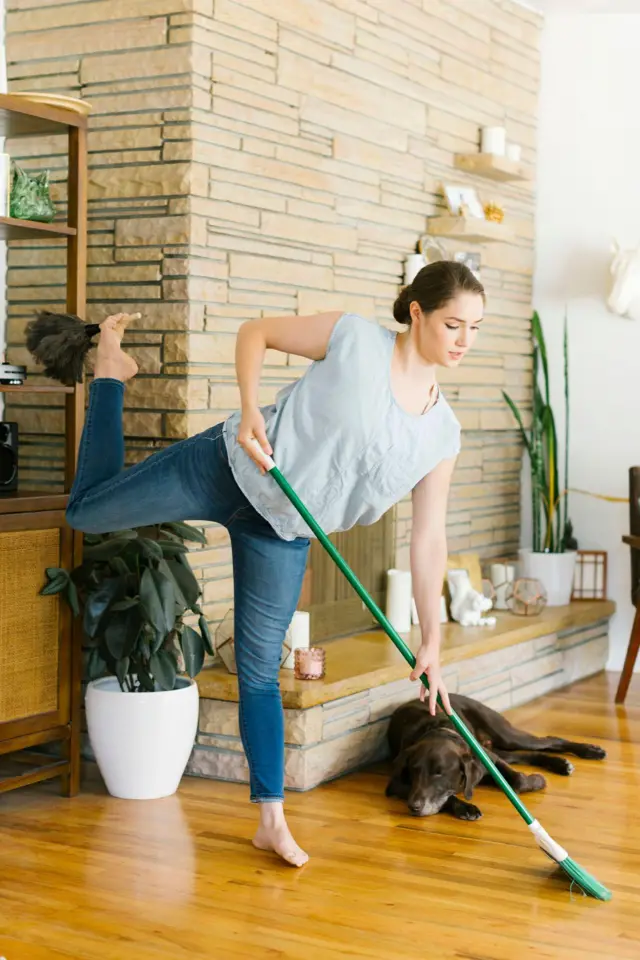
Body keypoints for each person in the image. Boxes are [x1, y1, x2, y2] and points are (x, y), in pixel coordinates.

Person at [65, 260, 485, 867]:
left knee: (260, 670)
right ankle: (109, 373)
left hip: (283, 530)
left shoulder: (441, 435)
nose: (464, 341)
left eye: (474, 328)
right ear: (417, 313)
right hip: (226, 466)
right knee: (84, 513)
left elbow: (428, 539)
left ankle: (271, 819)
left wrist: (433, 641)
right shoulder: (353, 338)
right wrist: (252, 409)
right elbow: (255, 332)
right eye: (453, 324)